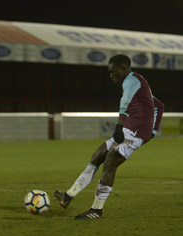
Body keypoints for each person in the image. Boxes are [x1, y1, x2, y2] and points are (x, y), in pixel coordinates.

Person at [54, 54, 164, 219]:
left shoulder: (132, 80)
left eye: (113, 71)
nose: (111, 75)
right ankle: (68, 195)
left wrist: (120, 126)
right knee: (97, 155)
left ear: (124, 69)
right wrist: (153, 131)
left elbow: (124, 102)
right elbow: (159, 105)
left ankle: (97, 210)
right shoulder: (139, 84)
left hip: (134, 130)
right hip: (131, 129)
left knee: (110, 163)